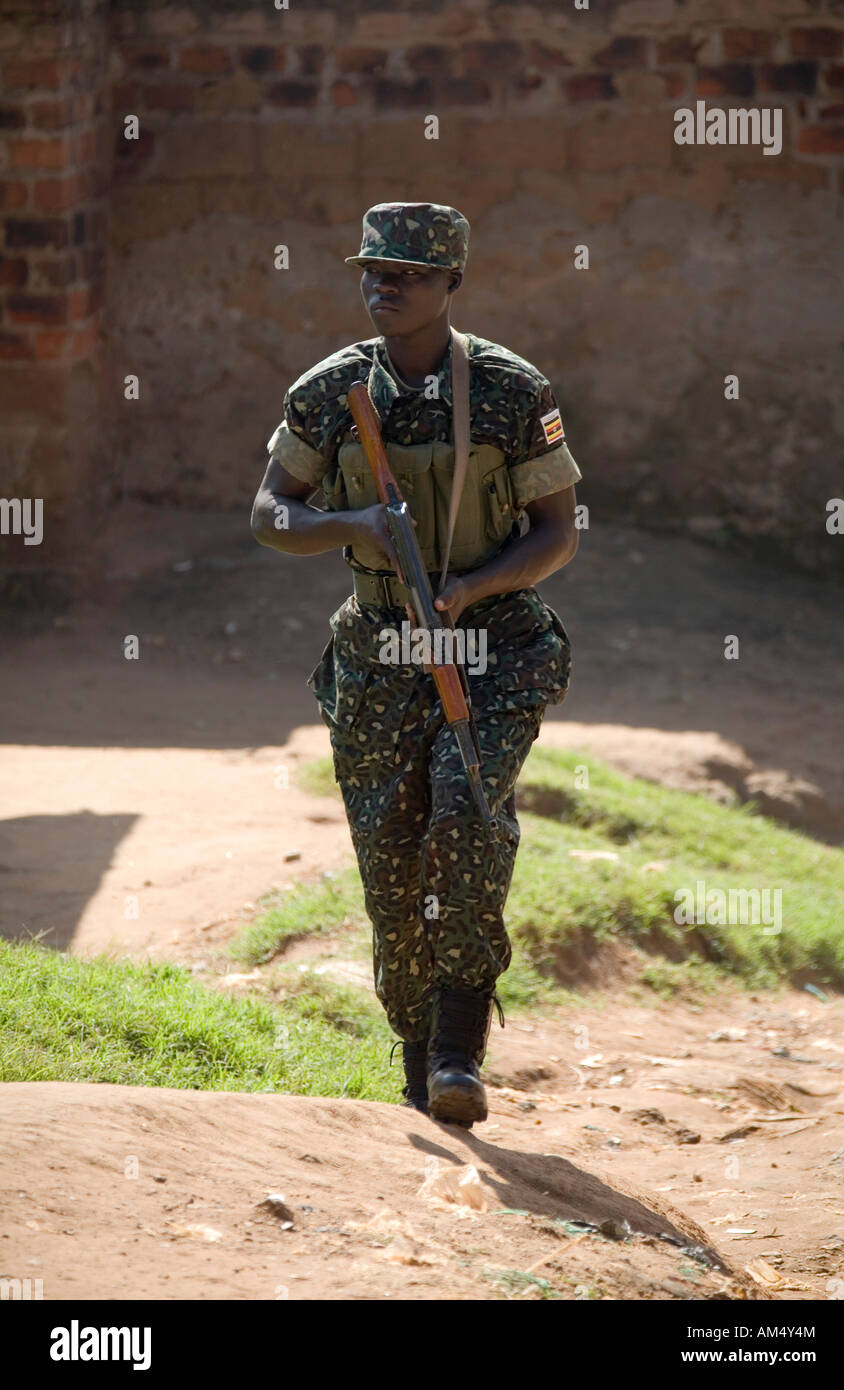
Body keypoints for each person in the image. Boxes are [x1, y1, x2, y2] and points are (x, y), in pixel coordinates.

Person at [252, 202, 581, 1128]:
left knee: (467, 818)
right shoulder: (330, 391)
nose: (382, 286)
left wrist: (474, 589)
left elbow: (557, 533)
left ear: (450, 286)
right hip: (378, 651)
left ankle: (457, 1050)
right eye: (371, 270)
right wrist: (353, 526)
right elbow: (269, 514)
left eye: (404, 273)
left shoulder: (513, 391)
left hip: (494, 645)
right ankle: (414, 1064)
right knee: (390, 864)